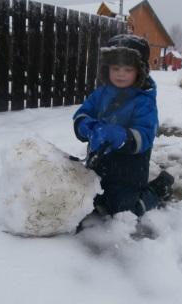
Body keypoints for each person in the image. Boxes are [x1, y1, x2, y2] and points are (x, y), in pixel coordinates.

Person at [73, 34, 174, 217]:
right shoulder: (101, 93)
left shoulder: (144, 100)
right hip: (100, 163)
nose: (120, 74)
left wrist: (122, 136)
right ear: (107, 69)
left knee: (123, 210)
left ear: (139, 71)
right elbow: (83, 113)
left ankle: (159, 188)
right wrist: (86, 126)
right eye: (116, 68)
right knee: (89, 200)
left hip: (130, 168)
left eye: (127, 69)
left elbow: (145, 134)